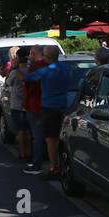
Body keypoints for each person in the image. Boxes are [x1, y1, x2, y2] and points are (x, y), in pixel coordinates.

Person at [35, 45, 73, 179]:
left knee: (51, 140)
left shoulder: (45, 71)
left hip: (49, 108)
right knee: (59, 138)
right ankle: (60, 166)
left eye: (44, 56)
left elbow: (28, 78)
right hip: (64, 105)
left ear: (47, 57)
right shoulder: (66, 69)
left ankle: (54, 168)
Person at [22, 45, 47, 174]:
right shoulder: (50, 66)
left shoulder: (35, 67)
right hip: (44, 104)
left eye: (32, 53)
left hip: (35, 104)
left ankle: (37, 164)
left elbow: (26, 81)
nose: (30, 56)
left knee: (37, 136)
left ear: (38, 54)